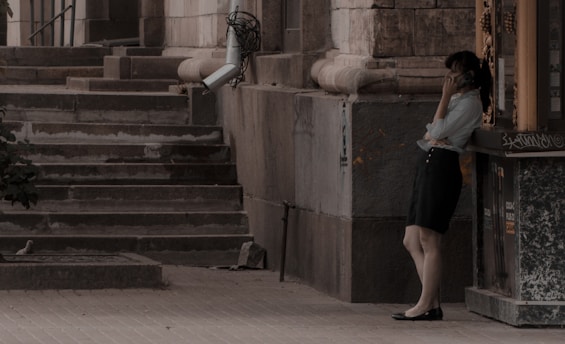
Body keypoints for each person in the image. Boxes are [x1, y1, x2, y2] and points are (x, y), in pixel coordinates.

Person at [392, 51, 491, 321]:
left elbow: (434, 133)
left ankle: (426, 304)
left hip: (442, 167)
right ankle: (431, 301)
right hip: (429, 163)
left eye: (455, 72)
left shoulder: (470, 103)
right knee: (411, 239)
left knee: (429, 238)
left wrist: (444, 100)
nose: (449, 77)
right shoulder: (459, 100)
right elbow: (432, 134)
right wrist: (440, 122)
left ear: (468, 76)